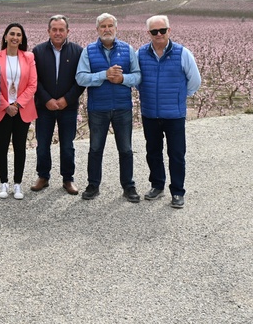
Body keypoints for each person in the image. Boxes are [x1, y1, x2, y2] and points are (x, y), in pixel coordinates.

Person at [75, 13, 142, 202]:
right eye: (103, 26)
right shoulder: (88, 51)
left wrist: (123, 79)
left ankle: (128, 186)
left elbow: (137, 76)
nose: (107, 29)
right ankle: (93, 184)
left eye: (110, 25)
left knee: (126, 149)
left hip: (122, 107)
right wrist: (104, 74)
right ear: (97, 30)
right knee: (95, 148)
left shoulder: (128, 50)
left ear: (116, 28)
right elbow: (81, 77)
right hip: (98, 108)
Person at [137, 15, 201, 208]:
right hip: (150, 113)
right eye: (154, 31)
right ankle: (157, 185)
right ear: (148, 33)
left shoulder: (183, 53)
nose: (159, 34)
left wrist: (179, 97)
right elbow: (137, 80)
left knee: (176, 154)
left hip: (174, 115)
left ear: (169, 31)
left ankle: (178, 191)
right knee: (153, 152)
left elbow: (194, 81)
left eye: (162, 30)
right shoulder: (140, 53)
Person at [31, 15, 85, 196]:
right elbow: (34, 80)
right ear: (48, 31)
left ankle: (68, 178)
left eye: (61, 29)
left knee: (67, 145)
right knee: (43, 144)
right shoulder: (38, 51)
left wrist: (66, 100)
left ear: (68, 32)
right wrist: (47, 99)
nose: (58, 33)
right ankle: (43, 176)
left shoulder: (78, 51)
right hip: (44, 107)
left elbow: (81, 80)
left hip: (68, 108)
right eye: (54, 29)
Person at [0, 23, 37, 200]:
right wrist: (5, 104)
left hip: (22, 109)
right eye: (12, 34)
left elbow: (33, 84)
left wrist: (17, 105)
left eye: (19, 35)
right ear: (5, 36)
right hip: (2, 109)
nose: (15, 37)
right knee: (1, 146)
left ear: (22, 39)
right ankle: (3, 182)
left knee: (20, 147)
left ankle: (18, 183)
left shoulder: (29, 57)